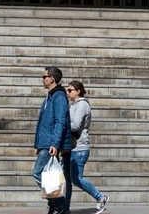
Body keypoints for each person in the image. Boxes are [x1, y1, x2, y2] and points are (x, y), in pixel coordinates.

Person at [33, 65, 73, 214]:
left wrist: (55, 143)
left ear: (52, 79)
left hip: (50, 142)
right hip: (45, 142)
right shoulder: (50, 96)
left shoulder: (59, 97)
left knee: (37, 173)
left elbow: (60, 122)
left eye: (45, 76)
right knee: (48, 175)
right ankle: (55, 206)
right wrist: (38, 144)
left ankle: (59, 204)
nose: (42, 79)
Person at [64, 80, 108, 213]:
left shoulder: (82, 105)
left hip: (80, 148)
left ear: (78, 91)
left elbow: (75, 125)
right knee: (70, 179)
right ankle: (64, 207)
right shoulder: (74, 105)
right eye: (67, 90)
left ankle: (100, 197)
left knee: (77, 179)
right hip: (73, 147)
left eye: (70, 90)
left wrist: (62, 125)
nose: (68, 92)